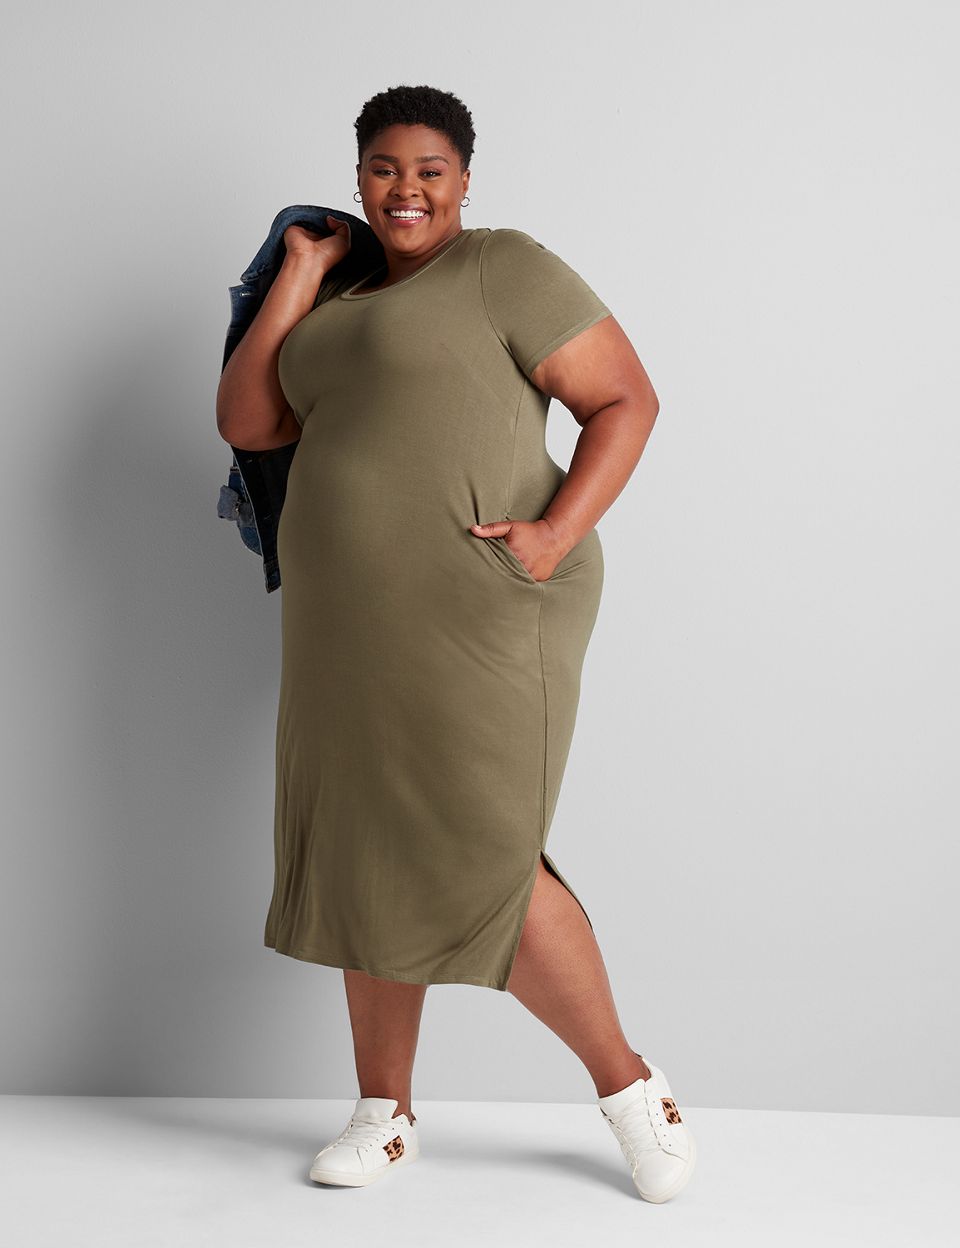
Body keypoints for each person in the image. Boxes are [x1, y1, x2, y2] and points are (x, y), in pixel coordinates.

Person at [216, 83, 695, 1204]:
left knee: (482, 847)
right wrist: (298, 270)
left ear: (465, 180)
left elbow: (626, 400)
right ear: (358, 178)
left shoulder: (503, 267)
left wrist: (552, 536)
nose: (407, 189)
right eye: (384, 168)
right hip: (344, 626)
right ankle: (384, 1115)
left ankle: (633, 1091)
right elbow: (248, 419)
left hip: (486, 607)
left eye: (430, 170)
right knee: (365, 841)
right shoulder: (333, 297)